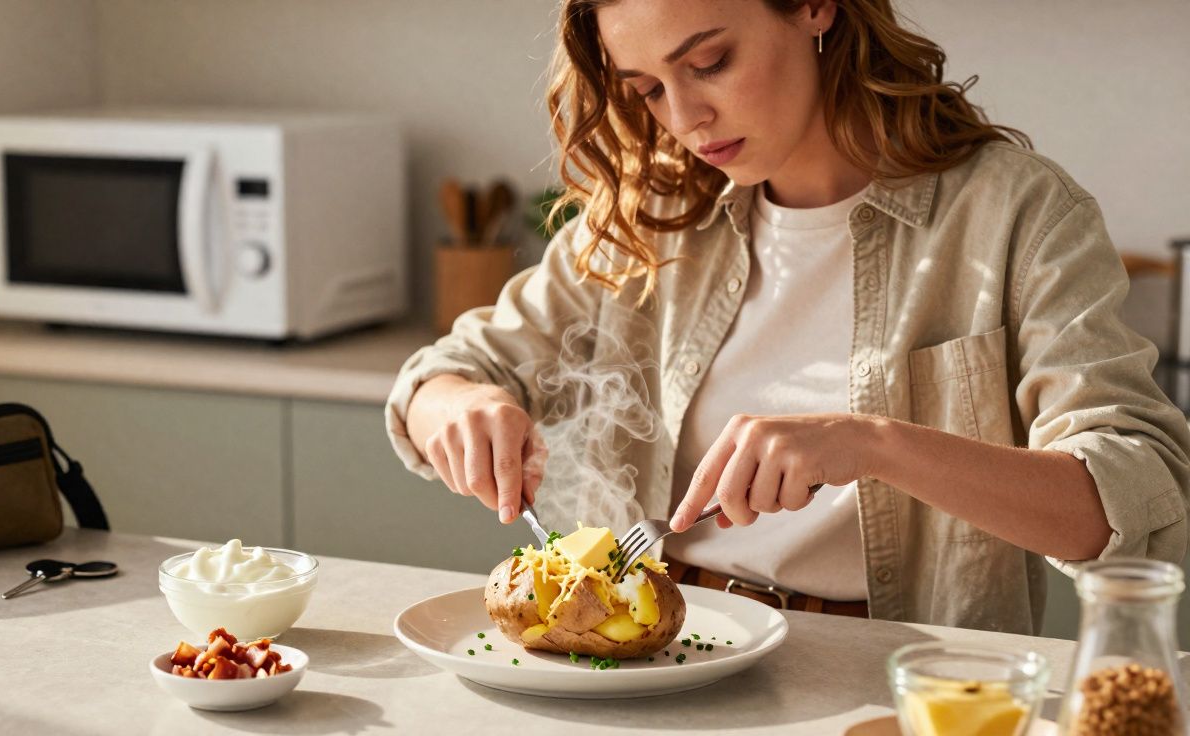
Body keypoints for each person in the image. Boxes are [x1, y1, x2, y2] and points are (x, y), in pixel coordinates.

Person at [385, 0, 1190, 634]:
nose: (684, 118)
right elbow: (443, 378)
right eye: (647, 90)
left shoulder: (1016, 214)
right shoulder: (652, 211)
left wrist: (873, 443)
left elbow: (1136, 502)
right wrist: (461, 405)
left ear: (815, 6)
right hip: (658, 654)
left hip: (893, 676)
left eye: (709, 62)